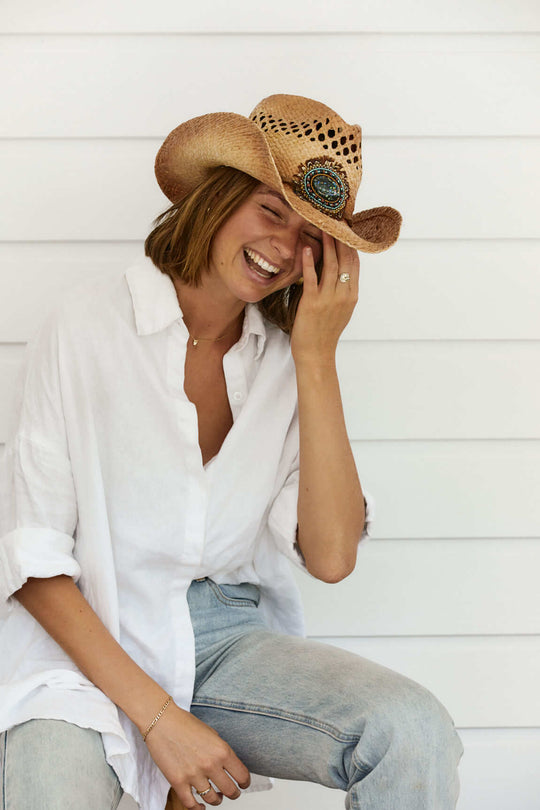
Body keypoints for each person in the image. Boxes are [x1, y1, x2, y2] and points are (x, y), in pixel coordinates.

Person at [0, 94, 463, 810]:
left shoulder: (283, 364)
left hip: (226, 643)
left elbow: (331, 557)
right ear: (216, 201)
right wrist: (161, 721)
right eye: (270, 210)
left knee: (412, 730)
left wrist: (315, 357)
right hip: (83, 648)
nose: (285, 246)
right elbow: (34, 565)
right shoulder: (85, 326)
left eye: (312, 234)